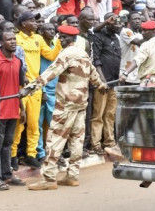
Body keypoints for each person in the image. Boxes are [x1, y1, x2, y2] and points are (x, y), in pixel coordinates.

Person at [26, 25, 109, 190]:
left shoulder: (66, 54)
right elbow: (93, 72)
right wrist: (100, 84)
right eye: (60, 37)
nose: (61, 40)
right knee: (76, 140)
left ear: (72, 39)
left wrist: (30, 88)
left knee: (55, 139)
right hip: (80, 103)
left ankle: (49, 178)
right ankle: (72, 175)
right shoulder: (82, 53)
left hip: (66, 104)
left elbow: (50, 72)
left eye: (64, 38)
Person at [11, 12, 62, 170]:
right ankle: (12, 155)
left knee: (34, 123)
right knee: (19, 123)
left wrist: (60, 39)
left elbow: (51, 55)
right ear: (22, 24)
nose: (35, 23)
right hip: (19, 87)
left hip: (36, 87)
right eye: (31, 20)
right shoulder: (16, 39)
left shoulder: (38, 39)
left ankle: (31, 155)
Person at [0, 30, 27, 190]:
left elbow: (19, 88)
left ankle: (7, 175)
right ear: (1, 43)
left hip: (13, 109)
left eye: (14, 39)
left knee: (8, 144)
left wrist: (22, 109)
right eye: (8, 39)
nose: (13, 42)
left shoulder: (17, 61)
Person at [90, 13, 122, 156]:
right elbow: (96, 60)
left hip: (115, 82)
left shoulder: (116, 38)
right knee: (98, 115)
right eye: (115, 23)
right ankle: (95, 144)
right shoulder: (98, 36)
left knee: (110, 114)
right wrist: (102, 81)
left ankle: (109, 142)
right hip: (103, 82)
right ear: (108, 23)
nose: (119, 25)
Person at [36, 23, 59, 163]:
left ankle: (53, 152)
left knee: (53, 124)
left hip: (55, 90)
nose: (51, 32)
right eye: (48, 29)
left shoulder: (55, 47)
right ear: (41, 31)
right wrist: (42, 89)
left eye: (52, 29)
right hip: (41, 89)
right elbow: (37, 70)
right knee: (37, 123)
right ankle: (40, 152)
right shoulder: (39, 48)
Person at [119, 12, 144, 85]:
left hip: (137, 73)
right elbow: (138, 42)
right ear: (129, 21)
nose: (137, 21)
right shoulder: (126, 31)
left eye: (139, 19)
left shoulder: (140, 35)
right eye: (135, 19)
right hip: (126, 72)